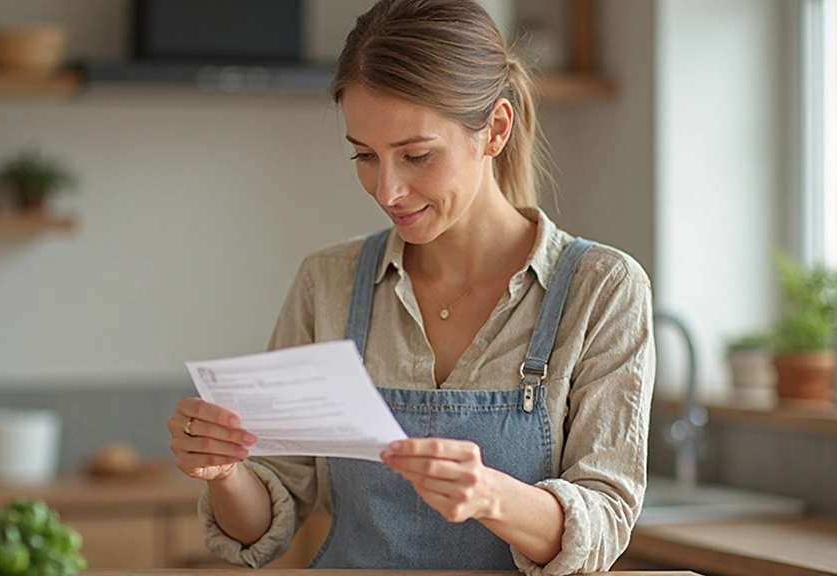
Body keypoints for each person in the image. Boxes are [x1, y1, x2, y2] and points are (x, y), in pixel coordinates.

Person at [166, 0, 655, 574]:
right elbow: (264, 522)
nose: (388, 190)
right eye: (366, 156)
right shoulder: (328, 282)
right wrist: (225, 472)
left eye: (416, 155)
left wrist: (489, 495)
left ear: (495, 129)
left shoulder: (601, 290)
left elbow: (603, 523)